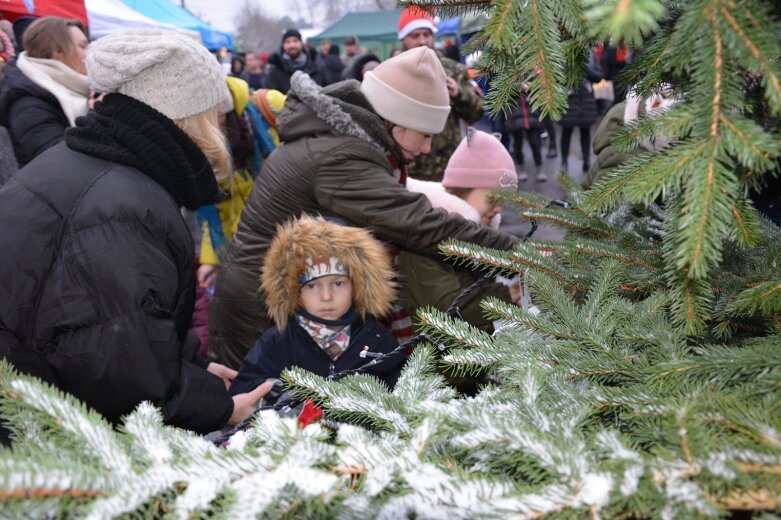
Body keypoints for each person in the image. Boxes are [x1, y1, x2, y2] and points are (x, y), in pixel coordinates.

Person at [0, 29, 270, 439]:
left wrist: (191, 369)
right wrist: (221, 407)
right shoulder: (124, 208)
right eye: (213, 113)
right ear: (185, 116)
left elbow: (108, 328)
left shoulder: (89, 163)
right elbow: (120, 378)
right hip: (37, 444)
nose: (221, 125)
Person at [208, 47, 519, 369]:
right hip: (262, 313)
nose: (427, 148)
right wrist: (522, 257)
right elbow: (418, 224)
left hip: (281, 301)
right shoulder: (343, 155)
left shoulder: (342, 141)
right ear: (395, 122)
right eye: (425, 135)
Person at [230, 216, 406, 395]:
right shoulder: (277, 342)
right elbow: (242, 393)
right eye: (312, 285)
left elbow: (405, 397)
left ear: (358, 285)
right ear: (294, 291)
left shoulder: (378, 341)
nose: (326, 296)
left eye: (338, 284)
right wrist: (276, 395)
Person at [401, 129, 521, 335]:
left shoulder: (467, 237)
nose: (499, 208)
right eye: (493, 198)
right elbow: (445, 308)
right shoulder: (426, 236)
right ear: (463, 188)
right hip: (436, 361)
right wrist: (507, 295)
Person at [397, 7, 484, 183]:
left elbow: (477, 112)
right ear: (403, 39)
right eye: (415, 35)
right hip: (408, 169)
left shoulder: (452, 69)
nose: (422, 41)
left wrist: (459, 93)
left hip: (448, 167)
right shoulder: (393, 72)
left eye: (426, 34)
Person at [0, 16, 90, 166]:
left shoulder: (77, 88)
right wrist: (97, 117)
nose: (89, 54)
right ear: (57, 52)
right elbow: (58, 162)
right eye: (83, 46)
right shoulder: (27, 102)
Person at [507, 85, 546, 182]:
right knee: (517, 146)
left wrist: (530, 87)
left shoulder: (532, 74)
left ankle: (539, 168)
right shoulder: (509, 78)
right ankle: (521, 168)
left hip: (532, 118)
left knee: (535, 144)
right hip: (516, 120)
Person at [263, 28, 321, 94]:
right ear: (283, 45)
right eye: (287, 42)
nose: (292, 45)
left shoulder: (315, 68)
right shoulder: (275, 72)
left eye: (295, 41)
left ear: (301, 43)